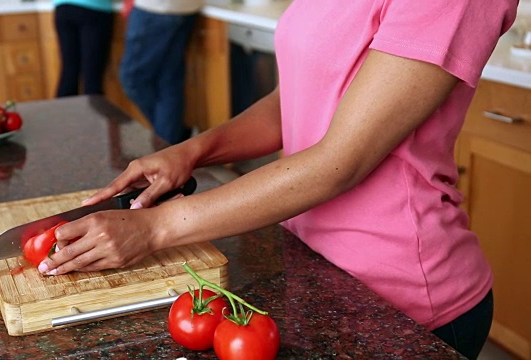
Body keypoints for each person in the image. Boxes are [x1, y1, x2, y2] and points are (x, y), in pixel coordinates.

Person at [37, 0, 518, 358]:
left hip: (401, 296)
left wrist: (155, 227)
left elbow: (341, 160)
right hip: (310, 261)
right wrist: (194, 150)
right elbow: (296, 96)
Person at [118, 0, 204, 145]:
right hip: (187, 8)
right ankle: (170, 140)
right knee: (169, 81)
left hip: (155, 8)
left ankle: (169, 138)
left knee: (132, 79)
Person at [53, 0, 114, 97]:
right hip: (93, 8)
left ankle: (61, 112)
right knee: (92, 78)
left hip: (63, 8)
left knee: (69, 73)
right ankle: (93, 112)